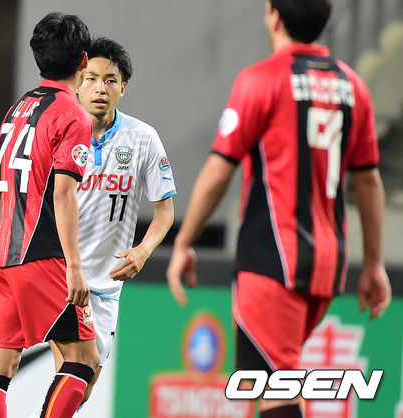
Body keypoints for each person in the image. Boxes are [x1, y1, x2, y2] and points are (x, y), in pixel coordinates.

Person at [166, 1, 391, 417]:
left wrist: (183, 241)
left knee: (273, 387)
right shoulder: (353, 86)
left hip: (272, 261)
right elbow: (369, 181)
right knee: (281, 375)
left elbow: (219, 169)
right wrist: (374, 264)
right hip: (327, 266)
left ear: (274, 16)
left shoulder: (261, 80)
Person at [30, 37, 176, 416]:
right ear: (78, 82)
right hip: (62, 274)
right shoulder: (57, 131)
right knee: (75, 367)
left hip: (108, 283)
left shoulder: (142, 138)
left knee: (83, 383)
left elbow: (165, 210)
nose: (100, 88)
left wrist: (143, 251)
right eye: (91, 78)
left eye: (110, 80)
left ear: (122, 88)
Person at [0, 12, 99, 418]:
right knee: (83, 362)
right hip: (40, 255)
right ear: (84, 61)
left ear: (37, 59)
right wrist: (74, 268)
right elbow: (63, 193)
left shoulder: (17, 108)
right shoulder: (73, 115)